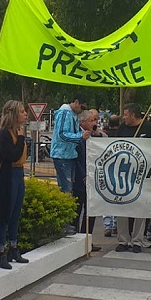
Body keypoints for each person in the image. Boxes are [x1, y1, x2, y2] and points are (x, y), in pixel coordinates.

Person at [113, 103, 151, 252]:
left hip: (143, 174)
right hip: (124, 174)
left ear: (133, 115)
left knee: (140, 207)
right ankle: (123, 240)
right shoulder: (122, 129)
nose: (123, 117)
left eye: (125, 114)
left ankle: (138, 240)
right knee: (122, 206)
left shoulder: (149, 129)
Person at [0, 100, 29, 269]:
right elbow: (13, 155)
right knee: (5, 214)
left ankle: (13, 247)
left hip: (19, 173)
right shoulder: (5, 134)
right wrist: (22, 138)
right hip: (8, 176)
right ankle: (0, 251)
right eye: (22, 111)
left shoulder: (18, 131)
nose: (25, 114)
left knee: (16, 212)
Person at [73, 108, 102, 252]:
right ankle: (75, 240)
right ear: (83, 122)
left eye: (95, 120)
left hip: (93, 179)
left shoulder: (94, 136)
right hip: (80, 180)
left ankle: (87, 240)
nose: (94, 123)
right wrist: (83, 175)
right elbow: (77, 159)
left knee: (91, 211)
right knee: (77, 211)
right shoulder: (78, 137)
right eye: (91, 121)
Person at [50, 95, 90, 197]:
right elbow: (62, 134)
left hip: (69, 155)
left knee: (69, 188)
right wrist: (80, 136)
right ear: (76, 102)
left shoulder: (73, 114)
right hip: (62, 155)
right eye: (82, 107)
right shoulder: (65, 113)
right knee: (66, 189)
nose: (82, 111)